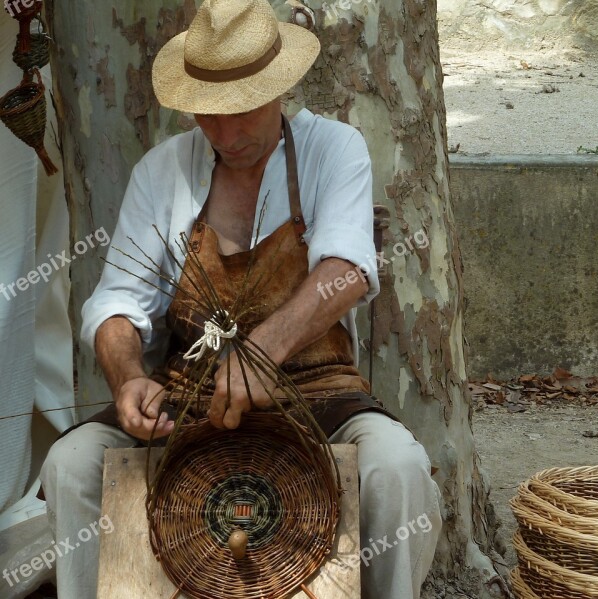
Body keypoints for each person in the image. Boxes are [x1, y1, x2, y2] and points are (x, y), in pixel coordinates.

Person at [39, 1, 442, 598]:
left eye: (243, 110)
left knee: (398, 470)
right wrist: (127, 379)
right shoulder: (162, 171)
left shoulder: (335, 149)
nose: (227, 134)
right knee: (71, 464)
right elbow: (115, 303)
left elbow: (348, 270)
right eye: (209, 114)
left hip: (318, 393)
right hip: (189, 401)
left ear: (279, 87)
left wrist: (262, 350)